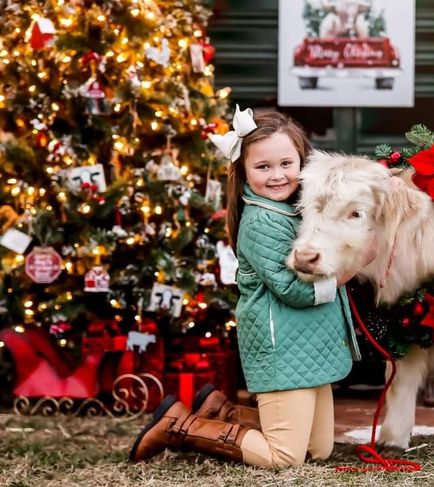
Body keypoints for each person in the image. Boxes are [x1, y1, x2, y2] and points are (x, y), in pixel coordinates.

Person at [129, 108, 374, 467]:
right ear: (244, 171)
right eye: (263, 167)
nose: (277, 176)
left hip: (310, 346)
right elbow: (296, 290)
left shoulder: (303, 210)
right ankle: (179, 425)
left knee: (317, 451)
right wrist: (353, 267)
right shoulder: (261, 223)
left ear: (304, 163)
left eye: (286, 163)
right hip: (283, 351)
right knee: (284, 458)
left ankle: (221, 411)